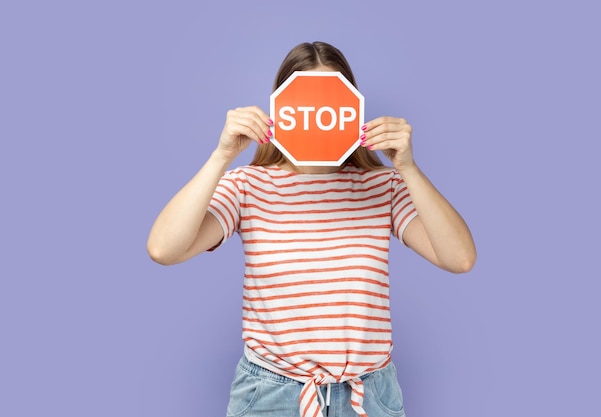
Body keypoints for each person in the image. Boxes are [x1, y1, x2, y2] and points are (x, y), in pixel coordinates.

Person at [147, 41, 476, 417]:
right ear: (283, 108)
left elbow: (460, 258)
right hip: (271, 397)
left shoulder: (381, 186)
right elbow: (163, 249)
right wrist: (220, 155)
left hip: (369, 396)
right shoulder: (247, 186)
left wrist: (409, 169)